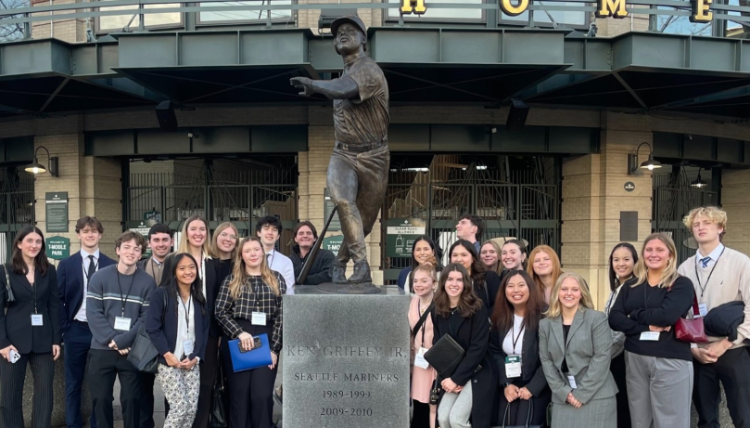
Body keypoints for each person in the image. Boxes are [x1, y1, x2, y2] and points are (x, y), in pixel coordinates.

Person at [290, 14, 389, 286]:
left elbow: (343, 89)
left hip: (374, 157)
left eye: (349, 30)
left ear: (363, 40)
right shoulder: (343, 74)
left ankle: (339, 260)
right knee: (344, 201)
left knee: (363, 224)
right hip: (343, 154)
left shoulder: (368, 69)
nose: (342, 35)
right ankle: (361, 265)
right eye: (338, 33)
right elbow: (339, 86)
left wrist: (313, 84)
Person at [608, 233, 694, 428]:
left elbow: (666, 316)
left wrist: (634, 314)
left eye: (659, 250)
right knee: (639, 421)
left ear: (670, 255)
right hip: (635, 358)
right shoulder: (631, 285)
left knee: (671, 421)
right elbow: (614, 319)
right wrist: (645, 325)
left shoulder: (681, 284)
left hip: (670, 359)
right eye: (649, 250)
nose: (653, 254)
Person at [677, 206, 750, 428]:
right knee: (706, 419)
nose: (700, 228)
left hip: (733, 350)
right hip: (699, 353)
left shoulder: (741, 262)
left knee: (743, 416)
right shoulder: (684, 268)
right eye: (696, 224)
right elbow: (678, 315)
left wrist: (728, 342)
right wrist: (692, 350)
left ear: (720, 228)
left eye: (707, 223)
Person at [86, 231, 156, 428]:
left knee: (132, 400)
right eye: (127, 247)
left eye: (137, 248)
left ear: (141, 253)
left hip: (132, 351)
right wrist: (114, 339)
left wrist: (124, 340)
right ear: (117, 250)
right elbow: (94, 313)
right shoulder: (99, 277)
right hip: (102, 348)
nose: (131, 252)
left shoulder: (147, 282)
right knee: (100, 399)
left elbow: (145, 318)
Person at [215, 237, 286, 428]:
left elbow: (282, 315)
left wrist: (274, 349)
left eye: (256, 249)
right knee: (239, 396)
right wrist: (239, 332)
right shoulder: (232, 280)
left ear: (263, 252)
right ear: (241, 255)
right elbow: (220, 311)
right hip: (239, 340)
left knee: (261, 395)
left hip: (266, 339)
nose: (253, 254)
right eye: (248, 251)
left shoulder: (276, 278)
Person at [0, 226, 61, 428]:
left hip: (44, 341)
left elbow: (54, 305)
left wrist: (56, 340)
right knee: (10, 396)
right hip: (13, 343)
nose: (34, 245)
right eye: (29, 241)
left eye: (38, 241)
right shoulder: (4, 271)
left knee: (45, 394)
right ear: (19, 244)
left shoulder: (49, 270)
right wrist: (3, 343)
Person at [539, 273, 617, 428]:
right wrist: (563, 392)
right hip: (563, 399)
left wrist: (581, 393)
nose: (569, 293)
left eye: (575, 289)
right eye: (564, 289)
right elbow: (546, 361)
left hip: (597, 397)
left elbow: (602, 357)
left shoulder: (597, 319)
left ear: (582, 293)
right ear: (557, 293)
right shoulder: (545, 324)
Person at [58, 216, 116, 428]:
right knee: (73, 383)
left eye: (93, 231)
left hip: (101, 333)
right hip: (75, 330)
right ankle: (73, 424)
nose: (90, 235)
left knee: (100, 384)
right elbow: (58, 299)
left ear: (100, 234)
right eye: (85, 231)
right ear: (78, 235)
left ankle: (96, 424)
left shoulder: (112, 265)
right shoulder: (66, 264)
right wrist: (65, 329)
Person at [146, 253, 210, 428]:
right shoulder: (161, 294)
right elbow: (152, 328)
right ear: (174, 272)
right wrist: (167, 354)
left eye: (191, 267)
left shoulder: (198, 297)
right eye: (182, 268)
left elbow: (203, 331)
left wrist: (197, 357)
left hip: (191, 360)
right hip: (169, 360)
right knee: (180, 407)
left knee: (190, 410)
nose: (188, 272)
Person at [431, 263, 494, 428]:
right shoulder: (437, 309)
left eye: (459, 280)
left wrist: (457, 378)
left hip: (477, 371)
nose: (454, 283)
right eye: (450, 279)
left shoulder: (477, 308)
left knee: (457, 420)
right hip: (452, 374)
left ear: (466, 283)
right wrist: (449, 378)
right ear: (443, 282)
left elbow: (478, 348)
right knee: (443, 418)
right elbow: (439, 346)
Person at [176, 215, 221, 428]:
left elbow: (218, 299)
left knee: (205, 385)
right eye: (193, 229)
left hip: (210, 334)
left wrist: (219, 333)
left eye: (202, 229)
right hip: (181, 333)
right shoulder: (174, 261)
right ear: (186, 232)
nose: (198, 233)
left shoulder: (213, 263)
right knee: (181, 384)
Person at [490, 270, 550, 426]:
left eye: (521, 285)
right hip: (510, 380)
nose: (516, 290)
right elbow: (495, 352)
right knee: (504, 421)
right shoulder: (500, 317)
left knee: (525, 422)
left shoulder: (544, 316)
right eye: (510, 286)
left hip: (537, 382)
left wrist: (532, 388)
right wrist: (506, 384)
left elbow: (550, 358)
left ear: (530, 288)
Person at [136, 223, 174, 428]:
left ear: (172, 241)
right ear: (149, 243)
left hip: (172, 335)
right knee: (143, 388)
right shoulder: (139, 266)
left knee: (173, 389)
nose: (161, 244)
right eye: (156, 240)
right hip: (144, 335)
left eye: (165, 240)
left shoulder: (180, 264)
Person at [603, 243, 637, 428]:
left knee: (624, 406)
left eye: (626, 259)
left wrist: (606, 354)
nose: (621, 264)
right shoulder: (616, 288)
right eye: (616, 259)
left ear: (635, 261)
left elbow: (626, 329)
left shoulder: (635, 288)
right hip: (612, 355)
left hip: (623, 356)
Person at [408, 264, 438, 428]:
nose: (418, 284)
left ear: (433, 283)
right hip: (419, 362)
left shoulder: (441, 304)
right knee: (418, 404)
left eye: (424, 281)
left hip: (436, 363)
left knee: (434, 404)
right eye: (416, 281)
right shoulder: (411, 303)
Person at [448, 239, 500, 311]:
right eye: (455, 255)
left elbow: (499, 305)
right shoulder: (446, 281)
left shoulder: (489, 278)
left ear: (473, 259)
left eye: (464, 255)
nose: (459, 259)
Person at [256, 216, 295, 294]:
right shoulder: (248, 258)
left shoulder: (286, 262)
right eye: (266, 229)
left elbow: (288, 290)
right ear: (259, 233)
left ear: (278, 236)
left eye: (274, 230)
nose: (270, 233)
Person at [290, 221, 334, 285]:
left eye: (309, 233)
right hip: (295, 294)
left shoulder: (327, 256)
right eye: (301, 233)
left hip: (319, 294)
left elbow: (329, 275)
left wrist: (300, 281)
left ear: (315, 238)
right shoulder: (288, 260)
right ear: (295, 239)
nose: (305, 236)